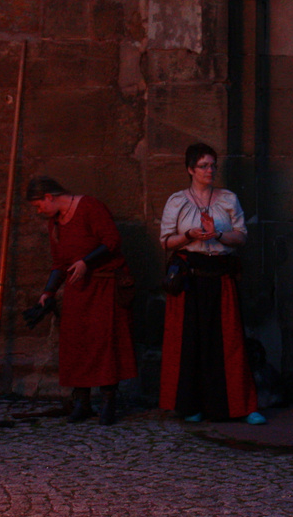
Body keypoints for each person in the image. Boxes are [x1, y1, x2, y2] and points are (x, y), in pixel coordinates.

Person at [159, 143, 264, 424]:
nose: (210, 171)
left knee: (229, 342)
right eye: (204, 166)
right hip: (190, 279)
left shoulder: (228, 199)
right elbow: (166, 241)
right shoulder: (177, 201)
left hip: (220, 276)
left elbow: (241, 237)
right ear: (190, 169)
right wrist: (190, 236)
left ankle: (240, 406)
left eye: (213, 165)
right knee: (190, 342)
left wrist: (217, 235)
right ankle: (192, 405)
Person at [26, 176, 138, 426]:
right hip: (78, 288)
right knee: (76, 342)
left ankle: (108, 401)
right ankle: (82, 402)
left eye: (38, 205)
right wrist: (48, 292)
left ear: (49, 197)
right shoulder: (55, 224)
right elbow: (60, 263)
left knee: (104, 341)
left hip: (104, 284)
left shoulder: (90, 207)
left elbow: (112, 241)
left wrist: (87, 262)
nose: (39, 210)